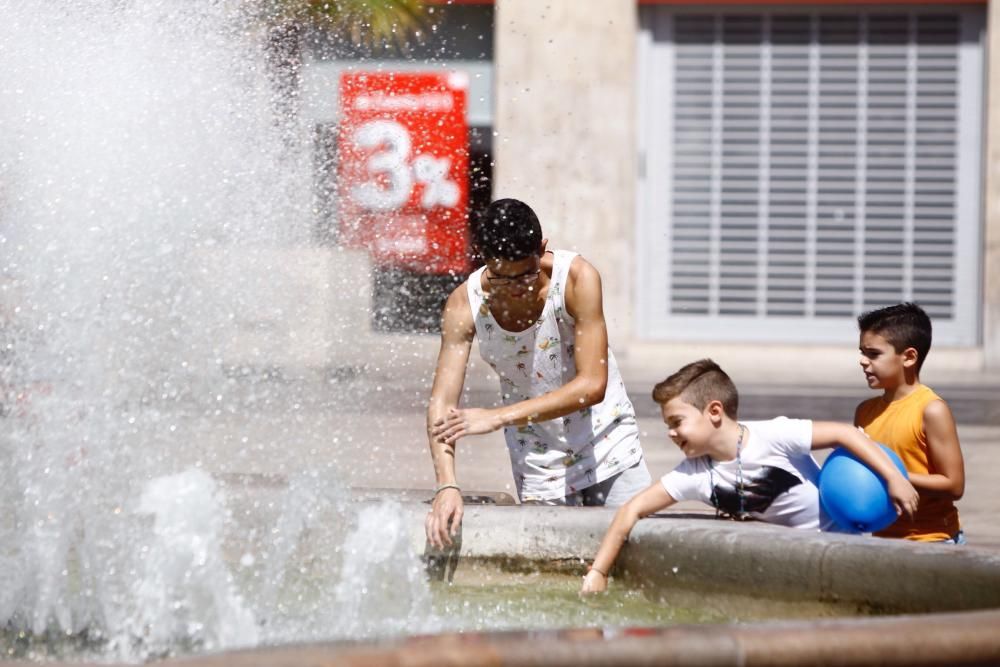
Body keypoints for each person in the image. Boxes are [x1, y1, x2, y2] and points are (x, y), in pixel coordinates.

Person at [580, 358, 918, 594]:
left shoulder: (774, 436)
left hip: (849, 550)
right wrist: (598, 572)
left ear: (714, 411)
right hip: (797, 564)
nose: (671, 432)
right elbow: (631, 510)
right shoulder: (694, 474)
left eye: (676, 421)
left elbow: (847, 435)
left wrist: (894, 478)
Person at [425, 198, 650, 549]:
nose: (515, 287)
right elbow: (441, 404)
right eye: (500, 278)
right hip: (538, 460)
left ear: (541, 248)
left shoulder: (577, 279)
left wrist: (497, 417)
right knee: (556, 570)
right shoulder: (463, 304)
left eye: (525, 275)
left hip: (608, 443)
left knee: (638, 556)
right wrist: (447, 484)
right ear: (483, 258)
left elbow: (592, 385)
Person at [855, 303, 965, 543]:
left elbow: (954, 485)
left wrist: (888, 474)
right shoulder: (865, 412)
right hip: (880, 539)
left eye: (873, 354)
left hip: (933, 541)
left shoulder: (931, 410)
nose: (863, 361)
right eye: (862, 352)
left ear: (909, 357)